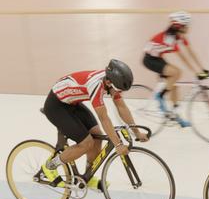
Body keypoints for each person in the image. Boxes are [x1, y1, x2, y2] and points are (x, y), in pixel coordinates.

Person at [40, 60, 146, 189]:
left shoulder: (110, 80)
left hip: (72, 102)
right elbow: (104, 118)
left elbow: (121, 106)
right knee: (86, 143)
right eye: (117, 89)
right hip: (56, 106)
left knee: (97, 134)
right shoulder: (95, 85)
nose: (117, 92)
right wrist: (118, 144)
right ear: (108, 82)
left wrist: (136, 132)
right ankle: (49, 166)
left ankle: (88, 176)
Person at [142, 11, 209, 127]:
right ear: (180, 26)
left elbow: (190, 52)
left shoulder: (179, 36)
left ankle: (175, 116)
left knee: (174, 86)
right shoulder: (169, 39)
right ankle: (160, 95)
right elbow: (183, 58)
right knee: (177, 73)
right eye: (187, 25)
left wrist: (203, 69)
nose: (189, 28)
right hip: (150, 60)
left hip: (158, 58)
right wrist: (196, 72)